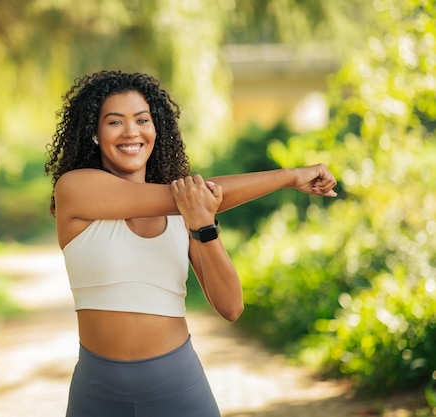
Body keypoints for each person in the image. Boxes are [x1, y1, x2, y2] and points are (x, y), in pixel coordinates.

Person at [44, 70, 337, 417]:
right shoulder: (75, 188)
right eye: (114, 122)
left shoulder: (189, 212)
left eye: (142, 120)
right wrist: (288, 177)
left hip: (178, 387)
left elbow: (231, 307)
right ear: (94, 132)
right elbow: (189, 195)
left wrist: (204, 226)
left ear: (157, 129)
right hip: (98, 394)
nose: (131, 132)